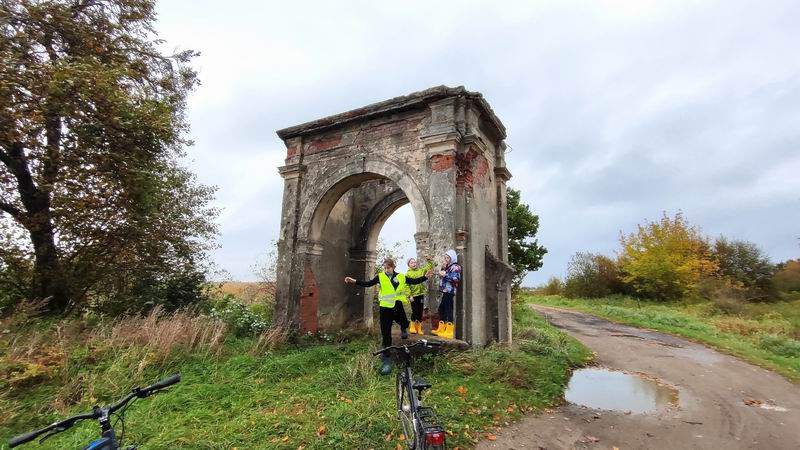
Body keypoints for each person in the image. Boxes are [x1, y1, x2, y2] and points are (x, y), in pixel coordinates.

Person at [345, 258, 431, 375]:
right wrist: (354, 281)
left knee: (405, 322)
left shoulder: (400, 276)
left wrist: (425, 277)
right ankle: (386, 360)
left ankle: (403, 328)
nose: (386, 270)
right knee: (386, 334)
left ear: (393, 267)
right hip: (385, 309)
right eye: (385, 268)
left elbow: (413, 281)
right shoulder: (380, 276)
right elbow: (368, 283)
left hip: (398, 307)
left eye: (388, 268)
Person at [432, 249, 461, 339]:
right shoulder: (447, 266)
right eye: (445, 257)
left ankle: (449, 331)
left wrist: (445, 275)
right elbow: (443, 275)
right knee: (441, 309)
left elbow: (456, 279)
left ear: (452, 258)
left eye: (447, 258)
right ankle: (441, 329)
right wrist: (442, 271)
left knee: (449, 309)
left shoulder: (456, 267)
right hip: (445, 290)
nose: (446, 259)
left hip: (450, 291)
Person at [404, 257, 433, 335]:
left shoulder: (420, 271)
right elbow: (406, 285)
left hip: (420, 294)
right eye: (411, 263)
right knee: (415, 311)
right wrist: (409, 295)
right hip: (413, 296)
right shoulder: (407, 274)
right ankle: (412, 326)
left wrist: (429, 261)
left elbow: (428, 268)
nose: (414, 264)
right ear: (409, 265)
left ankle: (419, 328)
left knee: (420, 312)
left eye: (414, 262)